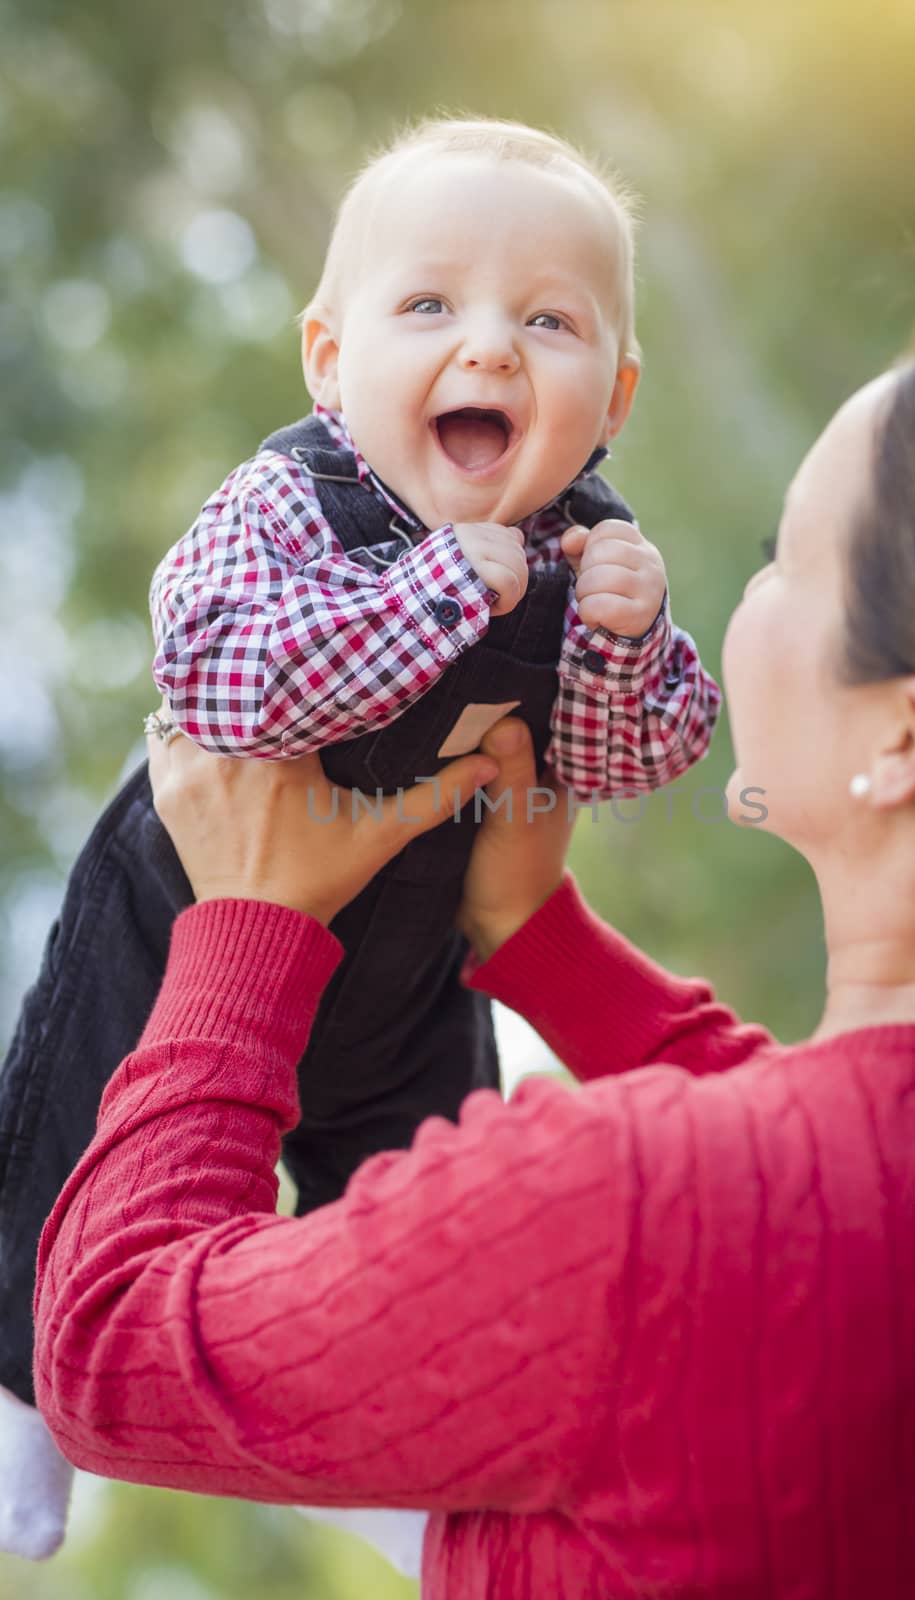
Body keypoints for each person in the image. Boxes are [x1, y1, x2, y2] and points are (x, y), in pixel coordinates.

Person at [34, 280, 915, 1595]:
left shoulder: (612, 1216)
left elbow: (111, 1350)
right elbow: (835, 1177)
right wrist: (533, 934)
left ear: (903, 737)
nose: (739, 602)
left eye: (777, 559)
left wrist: (246, 925)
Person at [0, 113, 720, 1485]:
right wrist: (446, 585)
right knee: (65, 1129)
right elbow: (219, 679)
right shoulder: (281, 502)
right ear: (332, 361)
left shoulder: (593, 546)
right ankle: (18, 1403)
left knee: (435, 1194)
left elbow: (622, 761)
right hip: (188, 926)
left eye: (550, 322)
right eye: (432, 303)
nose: (492, 345)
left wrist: (632, 651)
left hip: (418, 953)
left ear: (614, 400)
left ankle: (404, 1467)